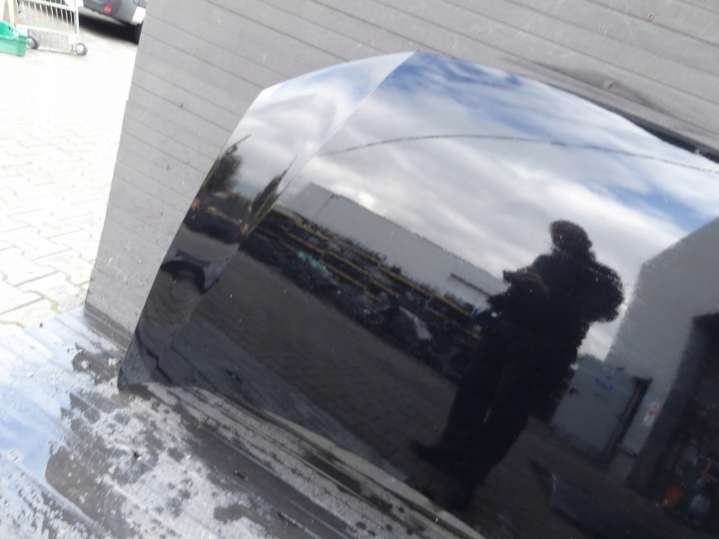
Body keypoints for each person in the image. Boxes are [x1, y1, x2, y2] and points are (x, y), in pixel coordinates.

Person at [412, 220, 624, 510]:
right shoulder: (547, 262)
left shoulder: (597, 277)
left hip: (543, 353)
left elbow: (598, 311)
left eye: (564, 236)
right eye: (555, 236)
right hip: (505, 335)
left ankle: (468, 477)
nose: (557, 241)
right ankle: (449, 451)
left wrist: (546, 292)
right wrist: (502, 297)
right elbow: (524, 296)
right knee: (472, 392)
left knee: (507, 415)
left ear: (582, 242)